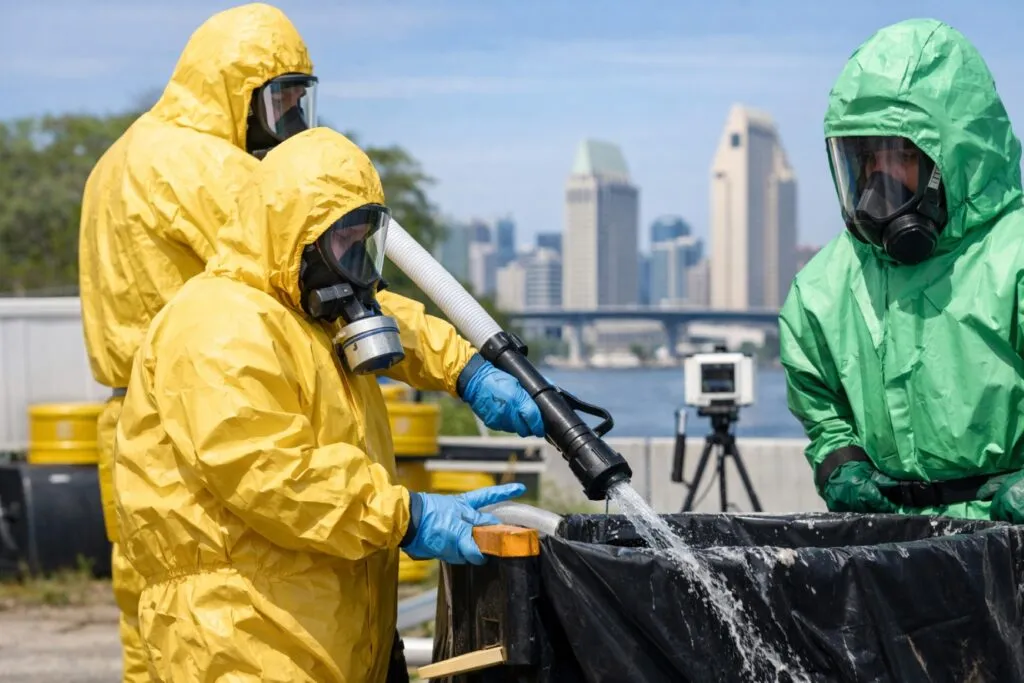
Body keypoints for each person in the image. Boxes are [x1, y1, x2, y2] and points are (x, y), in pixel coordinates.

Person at [113, 127, 542, 682]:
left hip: (317, 628)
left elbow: (398, 320)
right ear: (296, 236)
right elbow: (270, 473)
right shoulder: (220, 324)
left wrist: (469, 371)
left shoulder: (303, 315)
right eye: (345, 244)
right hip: (240, 636)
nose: (358, 270)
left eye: (366, 245)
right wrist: (408, 516)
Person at [78, 4, 316, 680]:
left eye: (299, 100)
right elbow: (319, 280)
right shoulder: (208, 168)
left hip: (126, 427)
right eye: (281, 99)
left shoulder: (114, 161)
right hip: (199, 424)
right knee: (233, 627)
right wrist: (463, 365)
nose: (291, 120)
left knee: (151, 622)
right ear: (238, 88)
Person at [779, 18, 1024, 521]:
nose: (877, 181)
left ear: (955, 156)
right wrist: (841, 460)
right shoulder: (823, 287)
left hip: (1009, 545)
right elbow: (820, 403)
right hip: (890, 547)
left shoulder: (1014, 260)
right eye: (864, 158)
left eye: (901, 155)